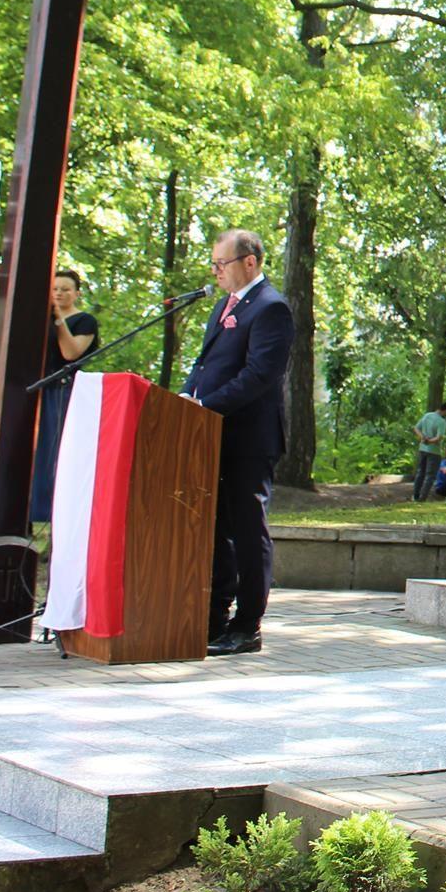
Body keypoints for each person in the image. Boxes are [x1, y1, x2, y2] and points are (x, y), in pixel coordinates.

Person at [182, 229, 294, 656]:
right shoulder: (221, 307)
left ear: (250, 262)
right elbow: (205, 363)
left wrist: (206, 406)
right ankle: (215, 618)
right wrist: (186, 399)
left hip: (250, 437)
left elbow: (259, 375)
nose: (216, 271)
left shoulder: (271, 308)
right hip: (213, 436)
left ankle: (248, 625)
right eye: (214, 263)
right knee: (216, 531)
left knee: (248, 531)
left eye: (221, 264)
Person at [32, 268, 99, 522]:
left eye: (65, 289)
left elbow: (71, 353)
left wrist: (58, 318)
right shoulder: (39, 317)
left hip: (61, 391)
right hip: (35, 388)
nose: (59, 293)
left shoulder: (85, 321)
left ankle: (52, 520)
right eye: (55, 289)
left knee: (54, 454)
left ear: (76, 293)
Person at [412, 401, 446, 502]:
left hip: (422, 449)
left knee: (420, 472)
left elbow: (416, 428)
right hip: (434, 451)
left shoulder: (427, 416)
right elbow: (439, 438)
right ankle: (422, 498)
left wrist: (423, 438)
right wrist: (429, 441)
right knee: (430, 476)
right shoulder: (441, 421)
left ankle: (415, 495)